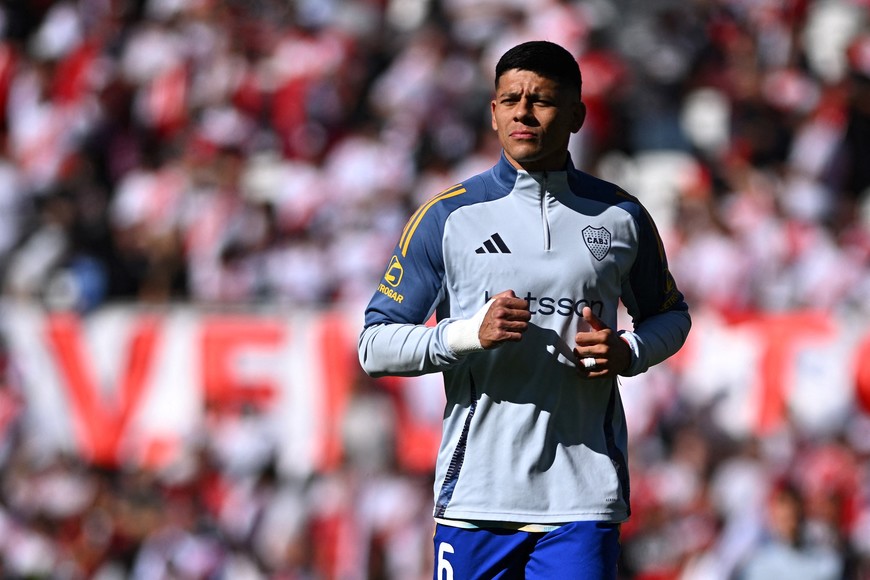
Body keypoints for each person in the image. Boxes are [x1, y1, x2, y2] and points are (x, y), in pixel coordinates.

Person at [358, 40, 691, 579]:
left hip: (582, 499)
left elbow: (672, 317)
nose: (524, 112)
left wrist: (628, 350)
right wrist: (467, 334)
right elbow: (373, 346)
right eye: (510, 98)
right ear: (493, 112)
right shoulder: (448, 217)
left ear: (577, 115)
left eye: (542, 100)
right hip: (476, 498)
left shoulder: (620, 216)